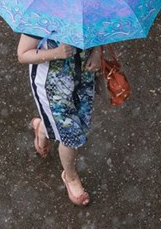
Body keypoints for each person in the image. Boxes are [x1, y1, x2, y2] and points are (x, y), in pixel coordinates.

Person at [17, 33, 102, 207]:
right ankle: (70, 176)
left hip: (84, 78)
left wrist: (98, 51)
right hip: (52, 88)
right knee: (72, 136)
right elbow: (23, 54)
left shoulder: (90, 8)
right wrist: (57, 53)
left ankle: (42, 127)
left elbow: (100, 29)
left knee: (82, 126)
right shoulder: (41, 15)